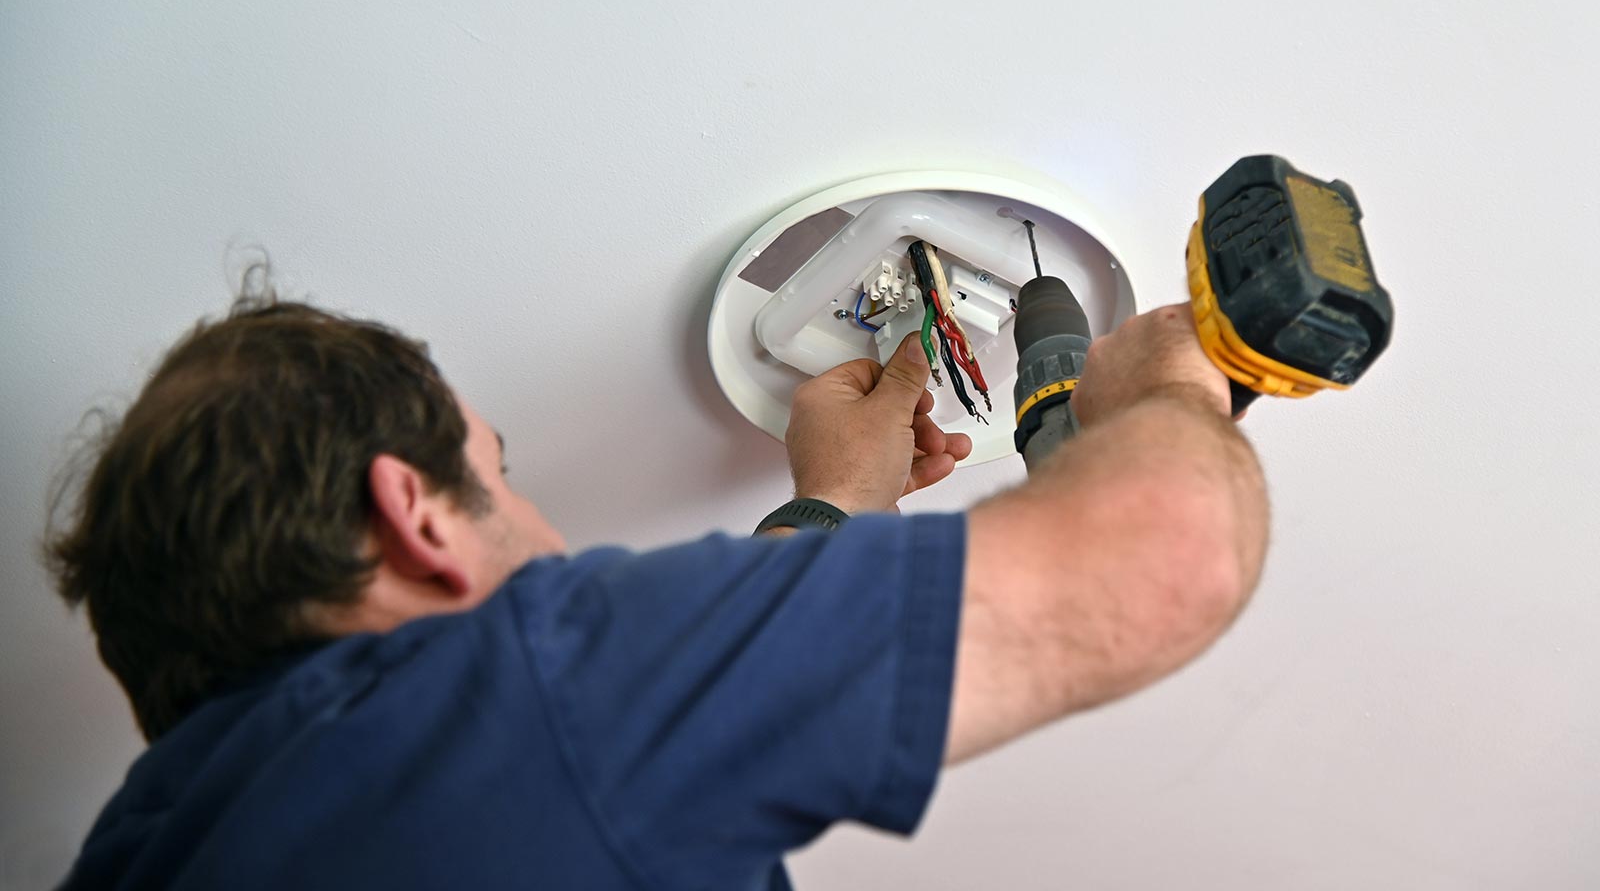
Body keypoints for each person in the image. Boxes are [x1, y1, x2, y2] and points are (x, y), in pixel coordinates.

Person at [47, 282, 1266, 890]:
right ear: (413, 515)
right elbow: (1166, 550)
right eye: (499, 474)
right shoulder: (518, 692)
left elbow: (637, 735)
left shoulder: (151, 851)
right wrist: (1162, 388)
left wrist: (835, 503)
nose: (541, 525)